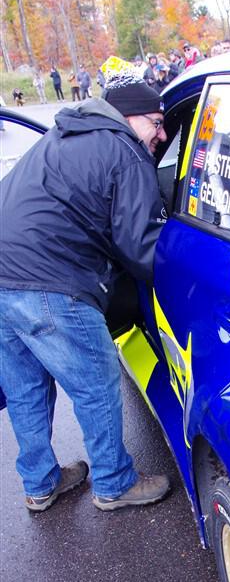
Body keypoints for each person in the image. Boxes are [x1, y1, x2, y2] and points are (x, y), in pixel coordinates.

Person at [0, 70, 171, 512]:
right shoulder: (125, 151)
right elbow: (141, 249)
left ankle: (41, 484)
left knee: (25, 388)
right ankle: (114, 482)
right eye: (156, 121)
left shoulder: (64, 134)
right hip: (50, 281)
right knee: (96, 381)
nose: (162, 133)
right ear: (131, 118)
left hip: (3, 276)